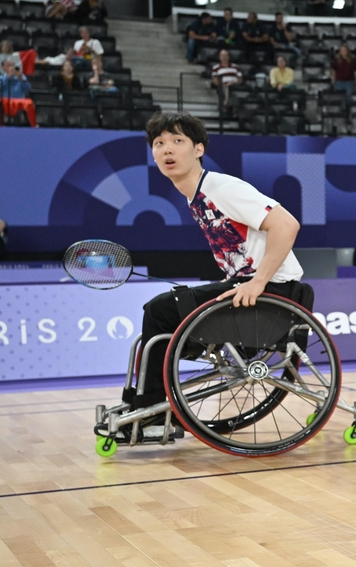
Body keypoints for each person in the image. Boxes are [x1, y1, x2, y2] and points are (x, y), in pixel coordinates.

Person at [105, 112, 306, 436]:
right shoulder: (195, 195)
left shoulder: (220, 187)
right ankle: (150, 401)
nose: (167, 149)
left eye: (177, 141)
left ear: (198, 149)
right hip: (245, 287)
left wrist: (258, 281)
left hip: (270, 291)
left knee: (159, 310)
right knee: (165, 313)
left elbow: (286, 225)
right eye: (159, 143)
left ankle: (155, 414)